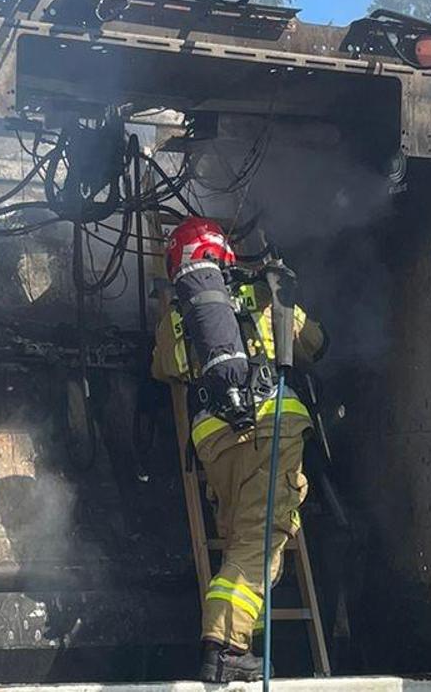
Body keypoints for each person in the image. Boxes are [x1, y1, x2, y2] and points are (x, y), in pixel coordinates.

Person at [151, 217, 327, 683]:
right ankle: (225, 646)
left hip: (215, 440)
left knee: (239, 538)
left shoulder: (178, 316)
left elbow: (163, 367)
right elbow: (315, 343)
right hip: (274, 425)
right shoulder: (267, 294)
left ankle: (246, 645)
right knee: (262, 533)